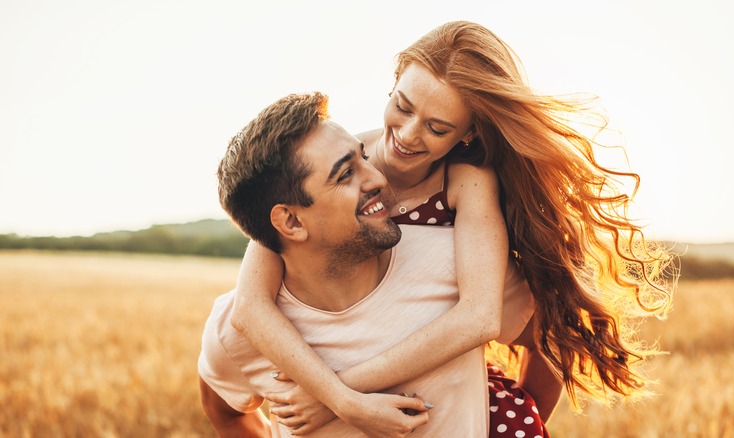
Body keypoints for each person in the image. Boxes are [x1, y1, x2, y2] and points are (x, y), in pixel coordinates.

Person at [230, 20, 676, 435]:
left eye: (437, 128)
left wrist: (338, 395)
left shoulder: (466, 184)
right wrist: (343, 400)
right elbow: (250, 305)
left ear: (467, 134)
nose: (406, 135)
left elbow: (481, 318)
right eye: (402, 106)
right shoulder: (332, 171)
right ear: (394, 82)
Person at [198, 92, 539, 437]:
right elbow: (225, 413)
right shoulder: (237, 327)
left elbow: (546, 341)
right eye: (346, 174)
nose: (378, 179)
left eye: (364, 156)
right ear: (291, 223)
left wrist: (516, 425)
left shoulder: (454, 265)